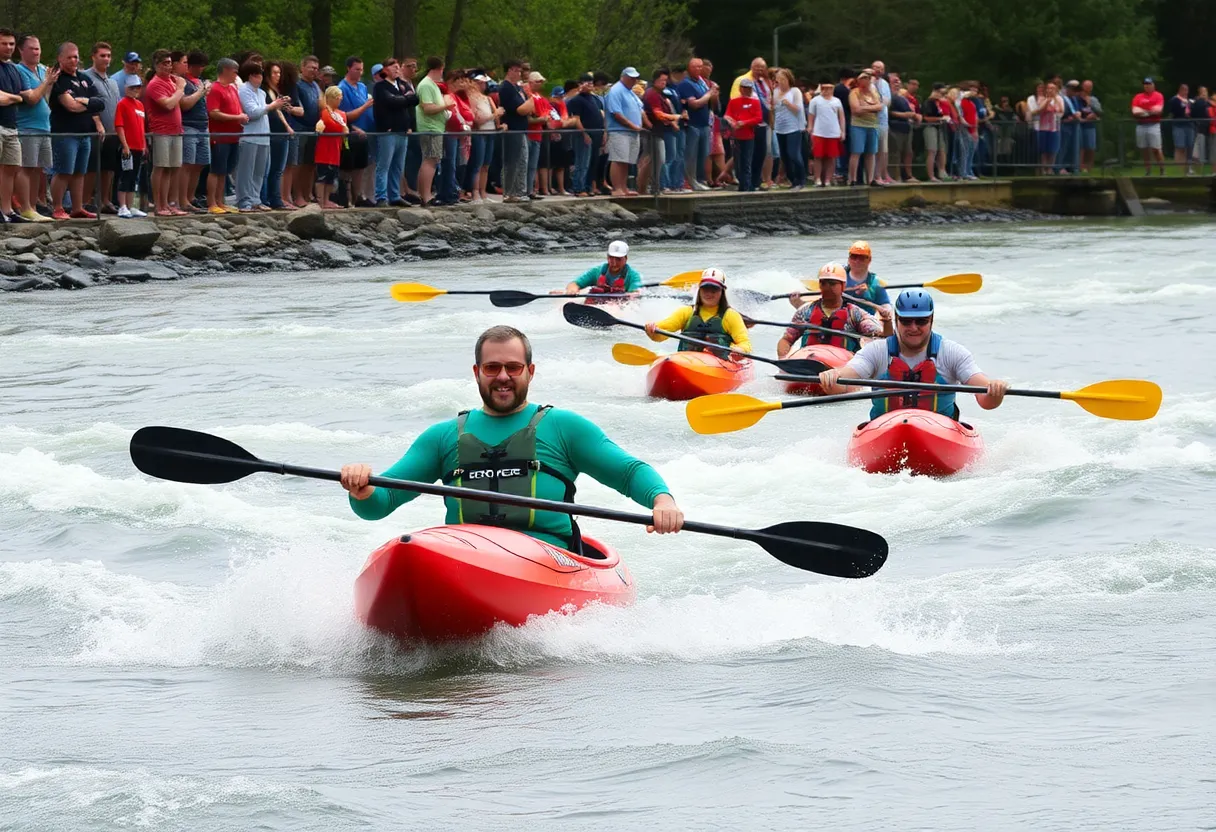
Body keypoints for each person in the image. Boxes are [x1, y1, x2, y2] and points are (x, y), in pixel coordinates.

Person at [339, 325, 684, 551]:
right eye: (492, 368)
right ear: (477, 373)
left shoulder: (564, 427)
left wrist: (662, 501)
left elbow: (628, 472)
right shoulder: (442, 437)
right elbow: (382, 503)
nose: (502, 377)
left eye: (513, 368)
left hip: (547, 555)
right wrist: (363, 489)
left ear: (529, 372)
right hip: (466, 550)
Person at [818, 289, 1008, 422]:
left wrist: (995, 392)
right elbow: (843, 382)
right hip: (884, 428)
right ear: (896, 320)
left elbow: (985, 400)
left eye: (921, 321)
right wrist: (833, 378)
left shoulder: (952, 352)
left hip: (941, 431)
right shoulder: (876, 351)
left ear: (931, 320)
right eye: (907, 322)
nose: (914, 327)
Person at [777, 263, 889, 357]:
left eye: (832, 284)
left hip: (841, 366)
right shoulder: (805, 312)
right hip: (809, 361)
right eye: (823, 283)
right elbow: (786, 340)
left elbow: (883, 336)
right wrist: (783, 359)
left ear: (843, 286)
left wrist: (887, 321)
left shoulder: (855, 313)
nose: (827, 288)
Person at [644, 268, 751, 359]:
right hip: (688, 360)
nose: (709, 293)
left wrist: (739, 350)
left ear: (721, 291)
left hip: (720, 363)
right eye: (705, 288)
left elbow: (745, 345)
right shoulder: (686, 312)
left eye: (714, 289)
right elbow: (661, 333)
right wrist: (652, 329)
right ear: (699, 290)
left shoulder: (730, 316)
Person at [553, 239, 643, 301]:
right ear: (607, 257)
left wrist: (634, 295)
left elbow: (635, 293)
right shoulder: (597, 271)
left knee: (613, 307)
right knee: (560, 298)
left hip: (618, 304)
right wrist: (572, 290)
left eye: (618, 259)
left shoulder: (633, 275)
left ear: (625, 259)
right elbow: (575, 284)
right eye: (611, 258)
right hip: (598, 302)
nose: (614, 263)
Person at [113, 75, 147, 217]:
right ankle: (122, 205)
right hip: (128, 147)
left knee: (134, 178)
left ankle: (130, 205)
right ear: (126, 88)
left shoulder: (140, 105)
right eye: (132, 87)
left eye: (137, 87)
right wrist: (125, 145)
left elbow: (141, 127)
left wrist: (144, 145)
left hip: (139, 146)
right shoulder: (122, 104)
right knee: (125, 176)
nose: (135, 90)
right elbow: (119, 125)